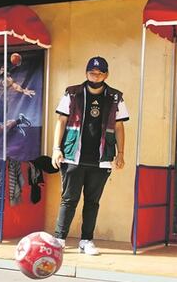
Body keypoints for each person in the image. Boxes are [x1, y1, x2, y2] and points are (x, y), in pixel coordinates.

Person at [51, 56, 129, 256]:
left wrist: (121, 153)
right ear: (86, 73)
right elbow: (61, 120)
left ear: (106, 74)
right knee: (69, 199)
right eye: (92, 72)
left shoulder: (115, 97)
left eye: (100, 72)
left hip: (101, 158)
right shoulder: (72, 93)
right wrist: (56, 149)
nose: (96, 76)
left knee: (92, 202)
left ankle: (86, 241)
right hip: (72, 155)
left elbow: (119, 127)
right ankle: (59, 239)